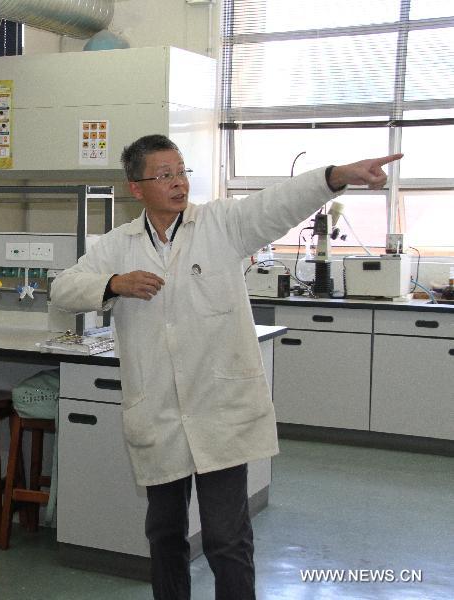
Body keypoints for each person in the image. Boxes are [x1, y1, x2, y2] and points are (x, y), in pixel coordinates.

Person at [49, 134, 401, 600]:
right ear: (136, 188)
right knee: (164, 536)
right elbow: (63, 288)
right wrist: (114, 283)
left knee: (225, 539)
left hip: (220, 412)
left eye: (181, 172)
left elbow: (278, 203)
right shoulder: (118, 245)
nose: (178, 183)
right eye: (164, 175)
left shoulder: (221, 225)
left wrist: (336, 176)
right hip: (159, 414)